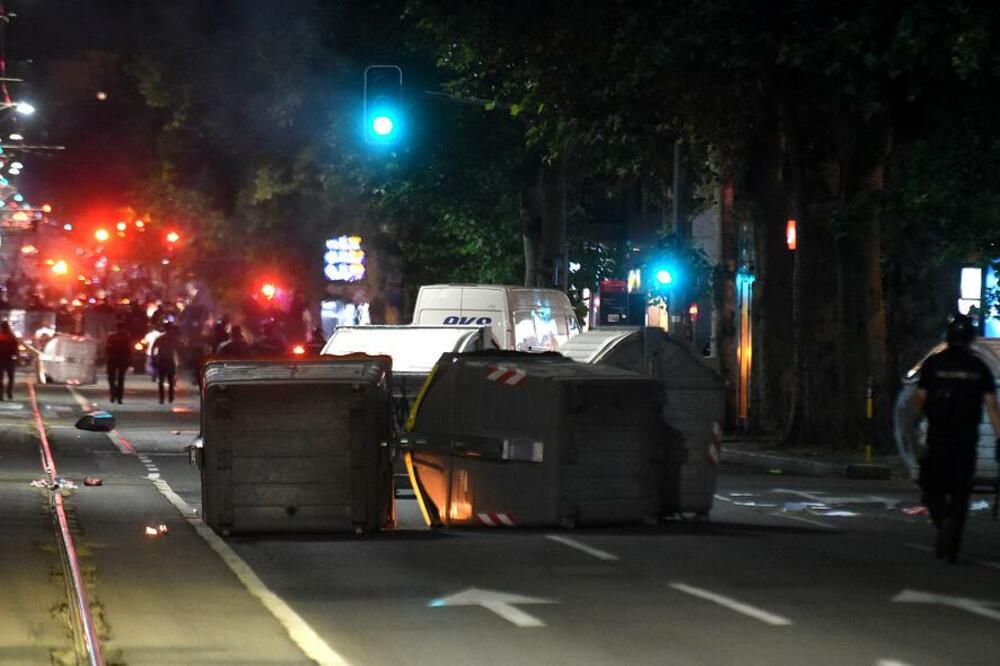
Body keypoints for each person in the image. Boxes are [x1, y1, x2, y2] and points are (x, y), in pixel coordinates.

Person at [912, 313, 1000, 563]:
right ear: (971, 338)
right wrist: (999, 438)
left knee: (931, 489)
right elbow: (992, 407)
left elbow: (919, 400)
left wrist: (913, 428)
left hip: (938, 440)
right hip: (966, 441)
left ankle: (943, 521)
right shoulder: (979, 368)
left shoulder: (933, 364)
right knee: (961, 494)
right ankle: (952, 540)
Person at [150, 323, 180, 404]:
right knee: (171, 380)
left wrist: (153, 358)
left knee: (161, 380)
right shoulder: (173, 338)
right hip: (169, 360)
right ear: (171, 329)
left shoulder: (160, 338)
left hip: (161, 360)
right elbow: (178, 349)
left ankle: (162, 398)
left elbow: (153, 348)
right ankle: (170, 397)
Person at [105, 322, 132, 404]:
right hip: (122, 360)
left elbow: (107, 348)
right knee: (121, 379)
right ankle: (119, 398)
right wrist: (129, 359)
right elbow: (129, 349)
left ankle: (113, 392)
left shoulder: (112, 336)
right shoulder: (127, 336)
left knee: (111, 378)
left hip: (112, 359)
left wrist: (106, 358)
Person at [0, 321, 18, 400]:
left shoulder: (0, 336)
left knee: (0, 378)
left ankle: (0, 394)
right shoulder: (12, 336)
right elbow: (16, 349)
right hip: (10, 359)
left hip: (1, 359)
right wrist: (16, 357)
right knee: (11, 377)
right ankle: (9, 392)